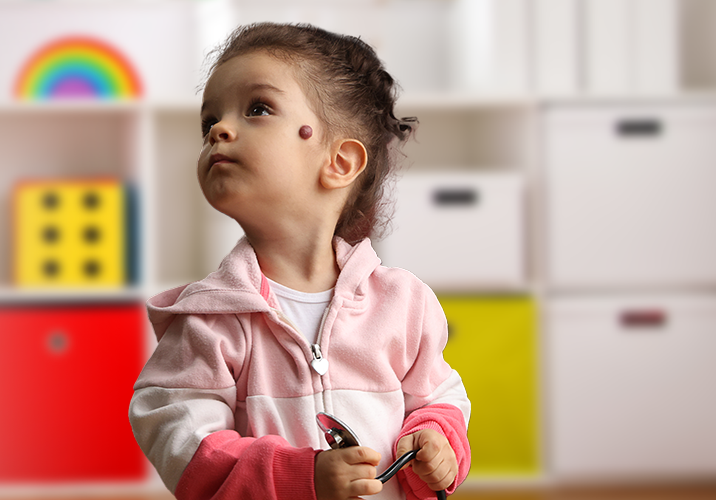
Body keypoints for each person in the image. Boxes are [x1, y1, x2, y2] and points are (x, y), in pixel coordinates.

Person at [128, 23, 470, 500]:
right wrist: (297, 477)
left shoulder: (403, 302)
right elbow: (179, 433)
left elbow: (439, 397)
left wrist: (436, 439)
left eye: (258, 109)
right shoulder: (209, 320)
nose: (219, 131)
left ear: (340, 163)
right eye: (209, 122)